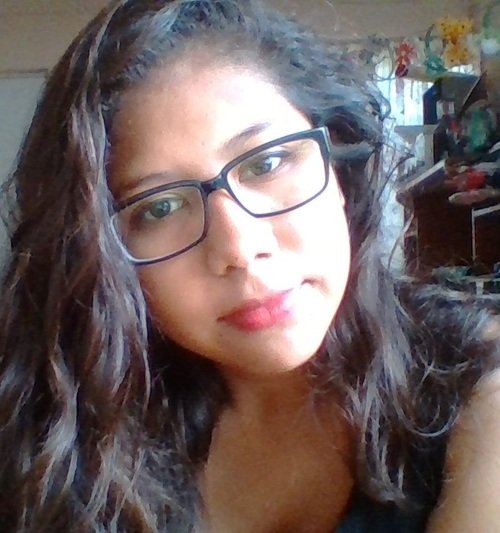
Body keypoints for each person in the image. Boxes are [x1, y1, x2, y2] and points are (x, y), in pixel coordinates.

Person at [0, 0, 499, 531]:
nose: (239, 248)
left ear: (337, 164)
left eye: (267, 162)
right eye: (160, 207)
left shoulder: (476, 382)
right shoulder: (57, 441)